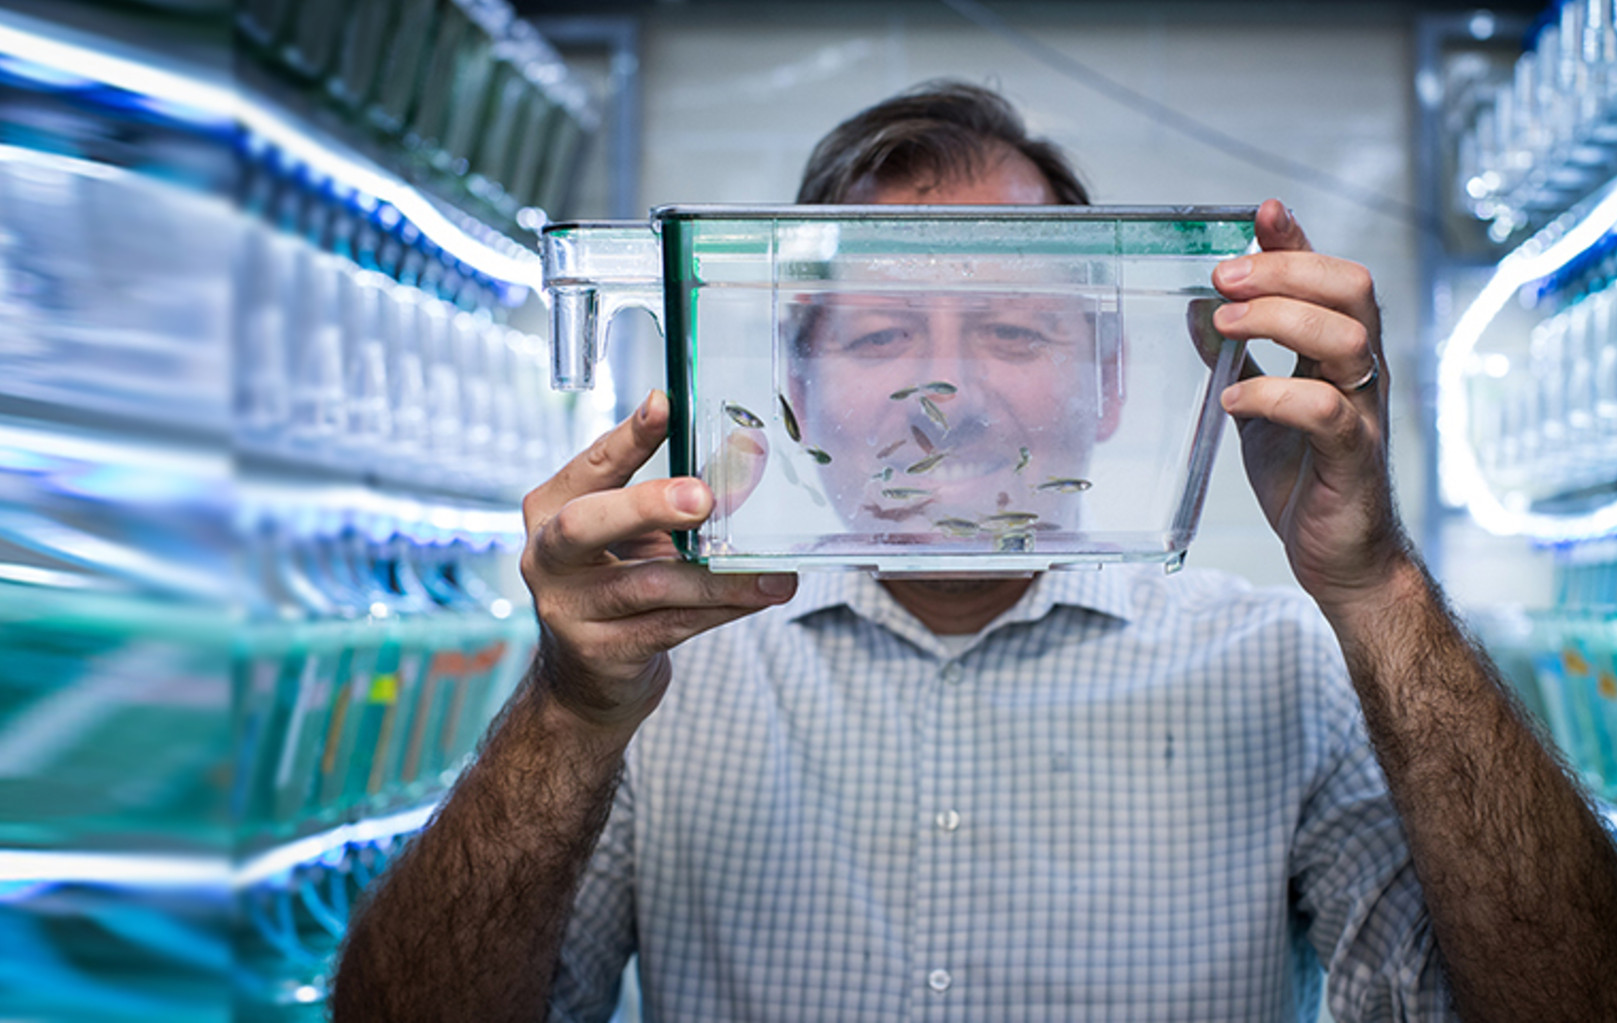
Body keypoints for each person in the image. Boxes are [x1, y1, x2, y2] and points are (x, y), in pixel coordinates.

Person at [328, 81, 1617, 1022]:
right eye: (881, 335)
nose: (943, 388)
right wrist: (566, 712)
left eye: (1011, 327)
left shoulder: (1280, 665)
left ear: (1112, 383)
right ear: (795, 384)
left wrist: (1376, 589)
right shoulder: (653, 679)